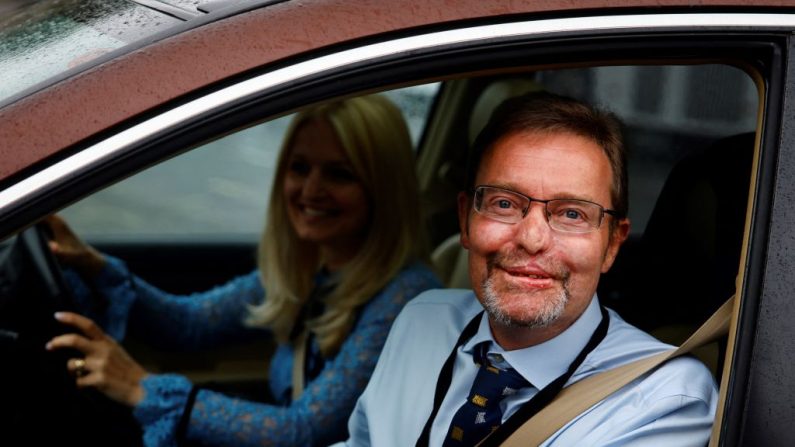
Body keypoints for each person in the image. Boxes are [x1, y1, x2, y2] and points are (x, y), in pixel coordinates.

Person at [44, 94, 441, 447]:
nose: (310, 190)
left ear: (382, 188)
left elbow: (303, 432)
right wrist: (95, 267)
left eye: (339, 174)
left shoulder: (407, 297)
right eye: (299, 168)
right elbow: (189, 323)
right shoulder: (311, 268)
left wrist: (140, 386)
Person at [338, 92, 719, 446]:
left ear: (612, 244)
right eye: (504, 204)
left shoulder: (664, 398)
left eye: (572, 214)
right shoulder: (422, 320)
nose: (532, 239)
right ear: (465, 220)